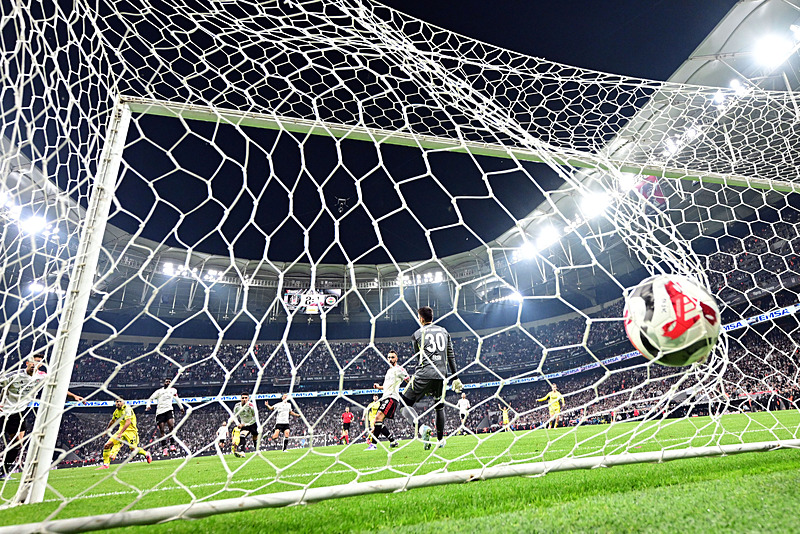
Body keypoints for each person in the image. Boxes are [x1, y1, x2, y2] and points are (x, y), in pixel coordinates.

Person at [0, 354, 84, 477]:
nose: (35, 364)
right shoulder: (14, 375)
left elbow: (58, 387)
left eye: (38, 362)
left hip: (17, 413)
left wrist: (74, 396)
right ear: (27, 363)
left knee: (17, 444)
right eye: (32, 361)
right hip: (2, 411)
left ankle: (4, 472)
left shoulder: (42, 377)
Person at [399, 306, 462, 449]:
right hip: (441, 375)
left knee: (403, 404)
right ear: (431, 317)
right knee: (439, 407)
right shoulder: (444, 332)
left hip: (423, 374)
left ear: (421, 318)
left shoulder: (417, 334)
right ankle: (440, 440)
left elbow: (418, 357)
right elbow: (450, 355)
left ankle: (422, 429)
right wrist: (455, 378)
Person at [367, 349, 409, 450]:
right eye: (389, 357)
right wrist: (379, 387)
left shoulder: (399, 369)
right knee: (378, 422)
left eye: (392, 357)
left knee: (377, 419)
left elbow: (408, 380)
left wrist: (411, 392)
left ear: (396, 358)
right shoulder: (389, 371)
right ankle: (393, 441)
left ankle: (373, 444)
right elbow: (386, 386)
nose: (390, 359)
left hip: (392, 398)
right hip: (385, 397)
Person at [98, 397, 152, 469]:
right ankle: (106, 465)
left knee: (133, 449)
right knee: (107, 445)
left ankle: (146, 453)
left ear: (123, 402)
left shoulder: (127, 409)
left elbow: (128, 421)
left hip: (131, 431)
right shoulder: (116, 412)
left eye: (120, 401)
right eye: (117, 401)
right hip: (121, 431)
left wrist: (120, 433)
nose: (118, 403)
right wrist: (107, 430)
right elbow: (113, 421)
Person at [145, 378, 185, 455]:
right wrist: (148, 405)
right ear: (164, 383)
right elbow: (150, 399)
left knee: (171, 427)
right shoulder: (159, 391)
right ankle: (164, 448)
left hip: (169, 410)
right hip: (160, 412)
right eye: (166, 381)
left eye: (169, 382)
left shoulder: (173, 390)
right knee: (162, 431)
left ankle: (172, 445)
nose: (168, 383)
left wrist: (181, 407)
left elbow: (177, 399)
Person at [232, 393, 260, 457]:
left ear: (248, 399)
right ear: (240, 398)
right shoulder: (237, 406)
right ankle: (242, 452)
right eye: (243, 398)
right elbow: (234, 416)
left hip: (252, 424)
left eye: (246, 398)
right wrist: (238, 423)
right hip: (243, 425)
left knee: (255, 437)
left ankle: (257, 450)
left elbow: (255, 418)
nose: (244, 399)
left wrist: (246, 424)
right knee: (242, 436)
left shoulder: (251, 406)